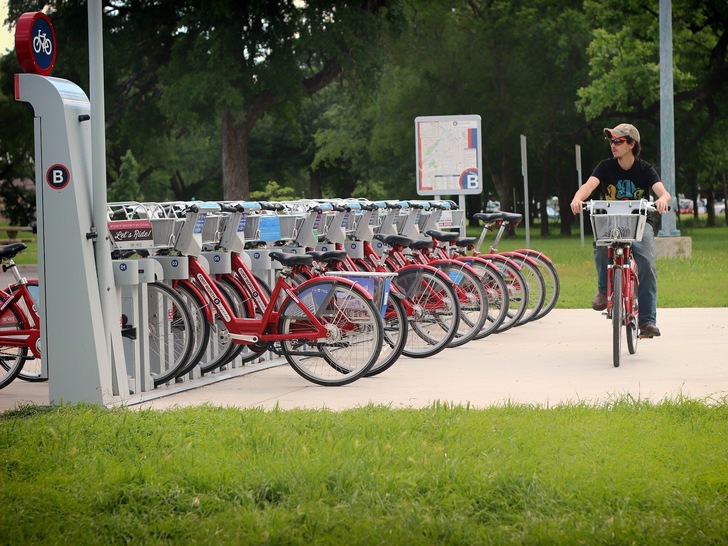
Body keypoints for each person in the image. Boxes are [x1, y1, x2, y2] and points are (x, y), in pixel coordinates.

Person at [570, 123, 671, 338]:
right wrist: (578, 198)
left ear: (631, 144)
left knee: (647, 264)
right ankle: (603, 290)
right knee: (599, 245)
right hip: (611, 221)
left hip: (639, 223)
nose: (613, 145)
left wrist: (662, 200)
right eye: (611, 141)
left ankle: (647, 322)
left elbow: (664, 193)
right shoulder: (605, 166)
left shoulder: (645, 169)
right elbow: (588, 186)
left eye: (618, 141)